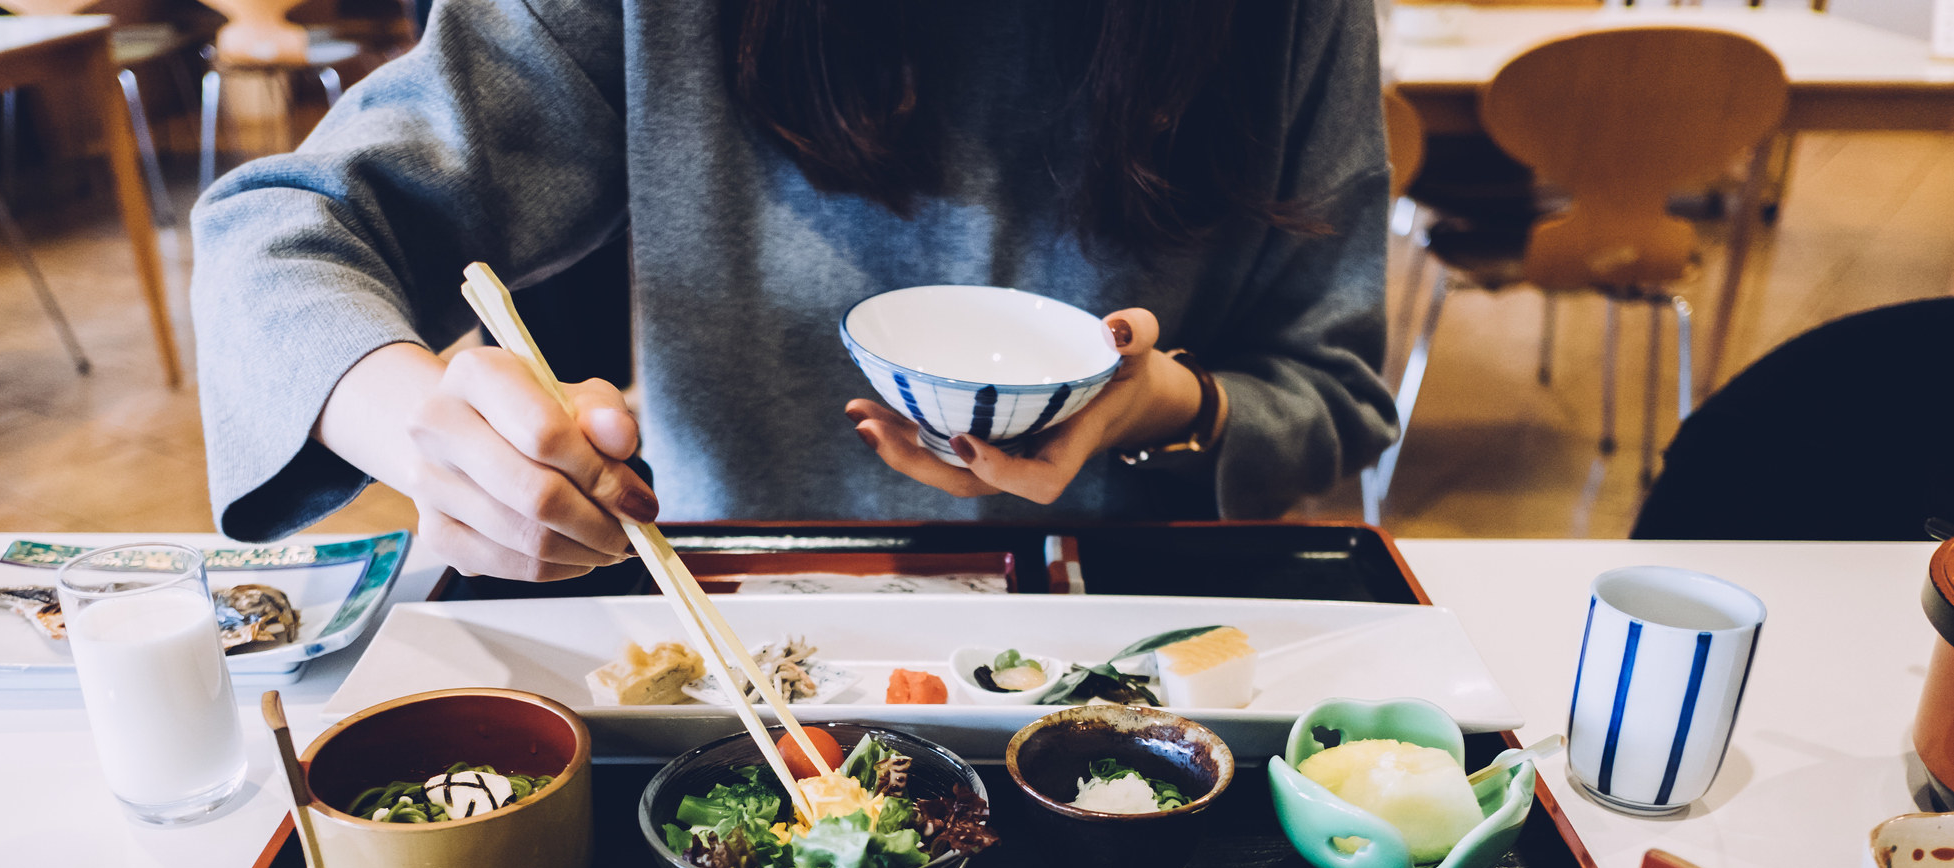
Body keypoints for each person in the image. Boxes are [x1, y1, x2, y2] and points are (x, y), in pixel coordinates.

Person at [194, 0, 1397, 581]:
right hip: (731, 613)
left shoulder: (1282, 16)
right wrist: (421, 425)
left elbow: (1334, 391)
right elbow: (283, 229)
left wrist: (1166, 409)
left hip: (1130, 633)